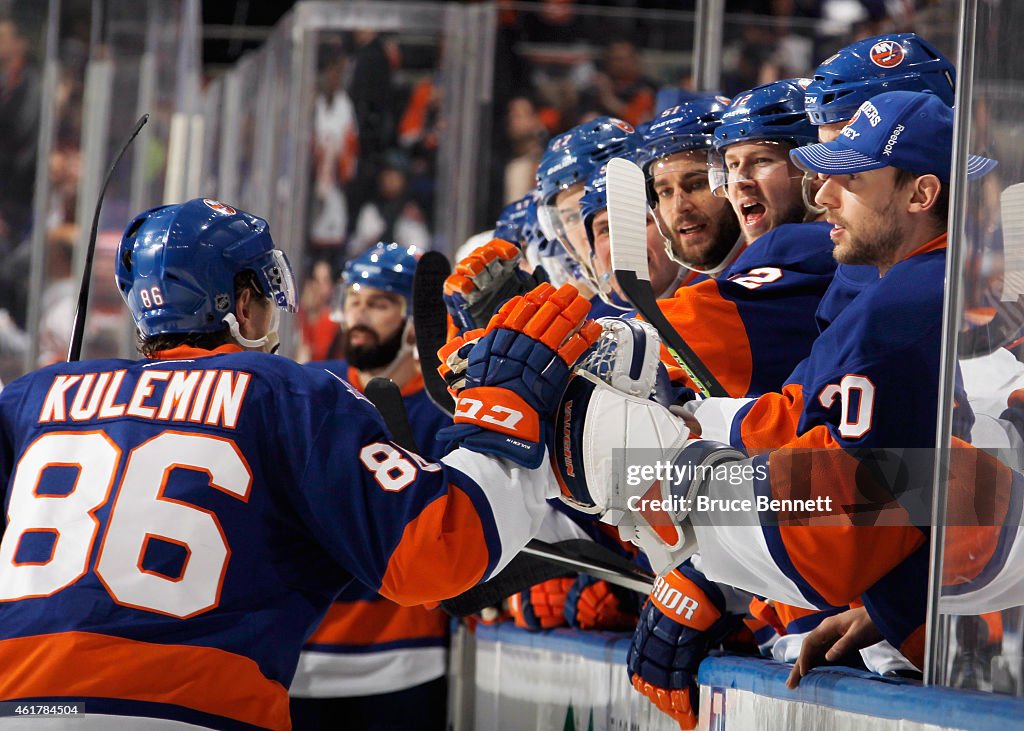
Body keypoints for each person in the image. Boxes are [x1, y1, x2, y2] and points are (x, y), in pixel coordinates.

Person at [0, 197, 602, 729]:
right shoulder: (287, 393)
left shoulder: (30, 396)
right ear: (238, 302)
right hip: (191, 709)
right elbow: (434, 550)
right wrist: (510, 411)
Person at [602, 91, 996, 727]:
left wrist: (686, 499)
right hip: (962, 628)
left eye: (852, 179)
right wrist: (889, 608)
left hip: (978, 660)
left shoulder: (902, 309)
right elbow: (934, 484)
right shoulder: (942, 285)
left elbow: (839, 520)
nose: (825, 196)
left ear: (921, 195)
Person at [290, 243, 452, 730]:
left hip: (406, 661)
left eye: (379, 303)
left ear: (414, 322)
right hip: (302, 658)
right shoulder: (309, 392)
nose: (359, 314)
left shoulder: (450, 408)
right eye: (355, 299)